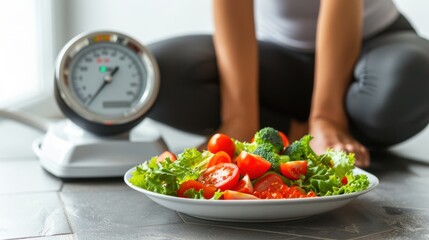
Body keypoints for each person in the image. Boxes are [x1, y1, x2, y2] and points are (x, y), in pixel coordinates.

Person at [146, 0, 429, 168]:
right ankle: (298, 131)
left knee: (412, 76)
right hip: (281, 60)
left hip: (373, 50)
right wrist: (238, 120)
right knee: (154, 74)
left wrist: (328, 117)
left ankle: (328, 128)